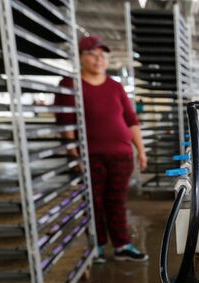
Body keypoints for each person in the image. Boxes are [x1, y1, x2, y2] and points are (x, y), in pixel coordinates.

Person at [55, 35, 149, 263]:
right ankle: (96, 247)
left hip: (121, 155)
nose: (98, 59)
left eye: (102, 55)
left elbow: (131, 120)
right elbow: (65, 123)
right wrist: (73, 154)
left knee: (116, 201)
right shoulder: (70, 85)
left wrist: (141, 150)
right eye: (92, 54)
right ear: (80, 57)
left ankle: (122, 245)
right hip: (90, 156)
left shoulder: (115, 87)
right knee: (93, 202)